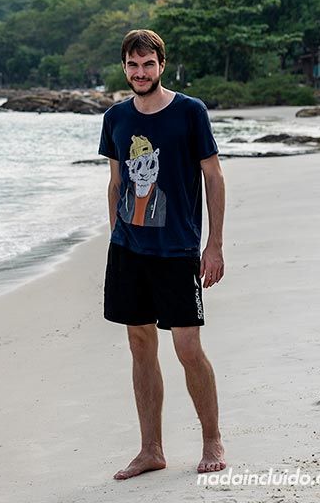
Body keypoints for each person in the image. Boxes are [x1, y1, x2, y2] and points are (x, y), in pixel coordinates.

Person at [98, 29, 227, 479]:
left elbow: (212, 177)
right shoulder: (115, 117)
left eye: (147, 64)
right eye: (132, 65)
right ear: (124, 68)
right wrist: (117, 236)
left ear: (161, 65)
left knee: (188, 347)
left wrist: (214, 244)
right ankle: (150, 449)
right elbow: (116, 181)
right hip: (129, 251)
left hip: (178, 249)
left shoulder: (190, 112)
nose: (140, 73)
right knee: (139, 344)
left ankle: (211, 438)